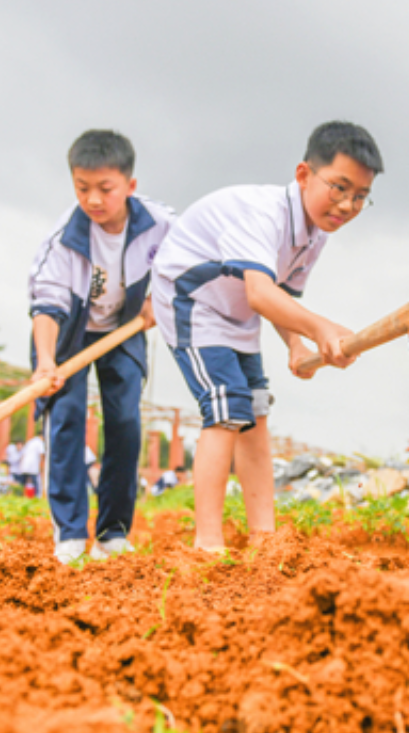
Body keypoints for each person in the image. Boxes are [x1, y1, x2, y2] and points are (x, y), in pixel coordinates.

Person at [152, 121, 381, 551]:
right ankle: (208, 543)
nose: (348, 205)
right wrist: (320, 327)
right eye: (339, 188)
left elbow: (282, 296)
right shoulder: (263, 213)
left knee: (254, 414)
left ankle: (264, 537)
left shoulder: (315, 233)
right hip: (193, 299)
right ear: (303, 175)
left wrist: (296, 344)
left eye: (361, 197)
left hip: (237, 307)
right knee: (225, 407)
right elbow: (261, 293)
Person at [29, 129, 174, 564]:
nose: (93, 200)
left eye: (105, 189)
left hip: (125, 330)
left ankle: (112, 533)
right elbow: (47, 306)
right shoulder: (63, 240)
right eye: (82, 188)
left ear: (129, 186)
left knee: (126, 423)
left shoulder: (161, 224)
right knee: (67, 419)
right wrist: (47, 364)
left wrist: (155, 298)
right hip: (69, 334)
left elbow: (184, 263)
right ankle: (70, 533)